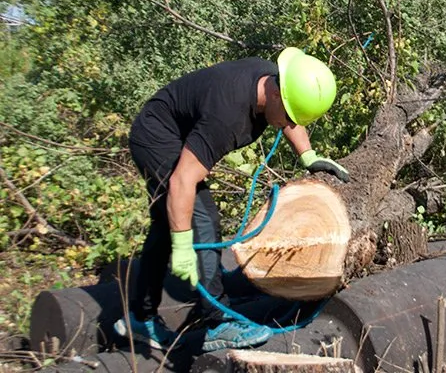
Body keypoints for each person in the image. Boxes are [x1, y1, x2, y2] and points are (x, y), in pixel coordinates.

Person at [114, 47, 350, 352]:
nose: (288, 124)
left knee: (165, 223)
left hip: (179, 130)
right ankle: (216, 321)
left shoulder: (277, 81)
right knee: (201, 218)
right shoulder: (227, 115)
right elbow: (182, 180)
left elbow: (292, 116)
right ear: (276, 94)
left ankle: (140, 317)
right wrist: (183, 244)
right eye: (288, 117)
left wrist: (308, 155)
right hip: (156, 136)